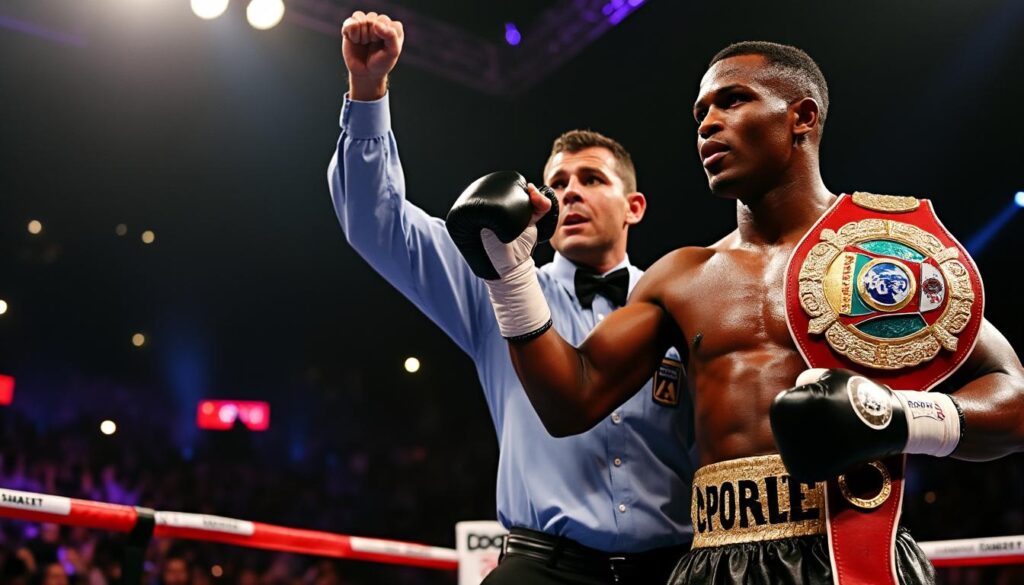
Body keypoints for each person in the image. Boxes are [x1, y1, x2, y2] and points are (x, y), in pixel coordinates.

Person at [448, 41, 1024, 584]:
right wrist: (511, 278)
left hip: (854, 548)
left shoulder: (885, 253)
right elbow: (570, 400)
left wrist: (897, 415)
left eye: (733, 100)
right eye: (700, 111)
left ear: (801, 117)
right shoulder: (682, 276)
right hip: (715, 561)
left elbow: (1014, 398)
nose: (707, 124)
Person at [326, 10, 696, 585]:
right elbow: (377, 225)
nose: (571, 191)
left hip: (675, 566)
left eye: (592, 179)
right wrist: (368, 92)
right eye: (560, 181)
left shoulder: (680, 300)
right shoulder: (495, 286)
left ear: (634, 207)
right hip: (543, 566)